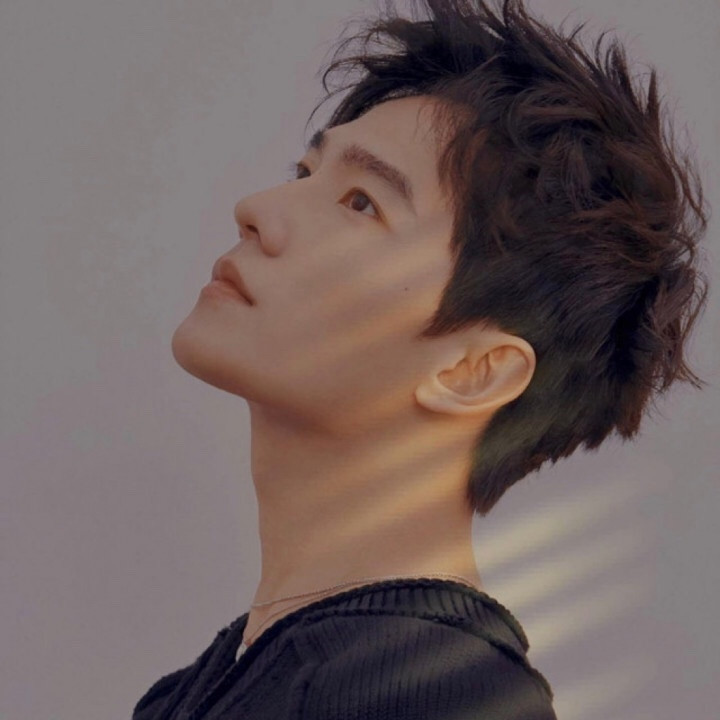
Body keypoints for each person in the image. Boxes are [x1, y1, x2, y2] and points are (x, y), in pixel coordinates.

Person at [132, 0, 709, 717]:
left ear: (473, 372)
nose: (258, 208)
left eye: (361, 203)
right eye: (305, 171)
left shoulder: (442, 698)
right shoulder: (206, 691)